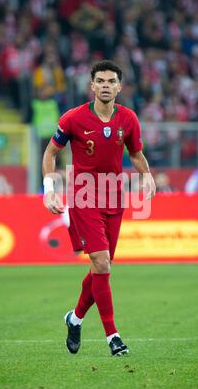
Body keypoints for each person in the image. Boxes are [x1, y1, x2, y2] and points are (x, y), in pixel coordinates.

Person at [42, 60, 156, 356]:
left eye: (111, 81)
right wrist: (49, 190)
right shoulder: (73, 118)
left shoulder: (128, 119)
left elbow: (136, 153)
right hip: (83, 197)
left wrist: (147, 177)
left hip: (114, 198)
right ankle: (113, 337)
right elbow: (51, 152)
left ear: (119, 86)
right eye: (100, 81)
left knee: (100, 268)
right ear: (92, 86)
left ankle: (75, 318)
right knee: (102, 263)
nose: (106, 86)